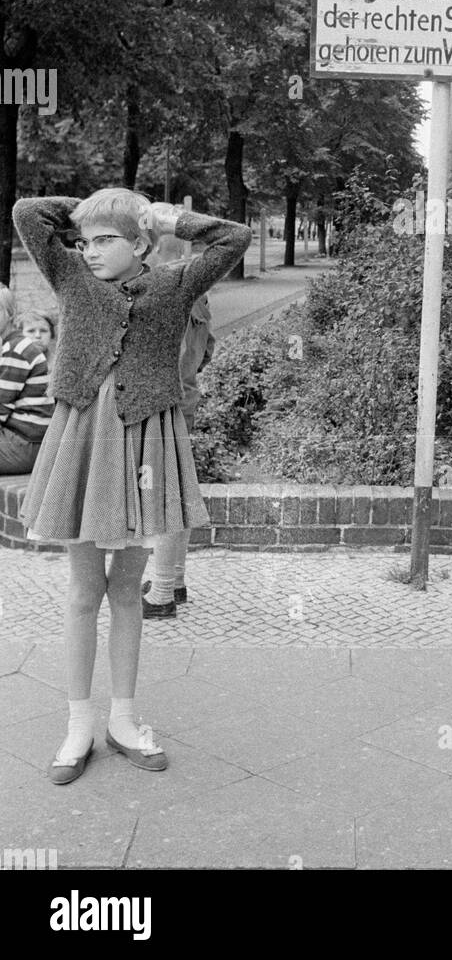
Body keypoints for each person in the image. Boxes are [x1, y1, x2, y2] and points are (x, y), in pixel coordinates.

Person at [12, 190, 250, 784]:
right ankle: (78, 724)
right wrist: (94, 208)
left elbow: (234, 237)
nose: (89, 251)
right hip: (85, 439)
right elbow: (26, 213)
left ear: (140, 242)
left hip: (146, 438)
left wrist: (160, 215)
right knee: (82, 588)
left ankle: (122, 718)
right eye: (84, 240)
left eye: (105, 240)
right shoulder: (70, 276)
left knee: (126, 588)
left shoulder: (173, 284)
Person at [141, 234, 216, 617]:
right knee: (179, 493)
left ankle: (163, 593)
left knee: (166, 498)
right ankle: (176, 580)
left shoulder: (160, 296)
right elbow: (207, 349)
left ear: (152, 252)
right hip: (184, 403)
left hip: (160, 407)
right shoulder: (196, 296)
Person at [0, 286, 53, 474]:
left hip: (24, 444)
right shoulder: (13, 346)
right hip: (26, 441)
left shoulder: (16, 350)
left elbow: (1, 408)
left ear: (10, 314)